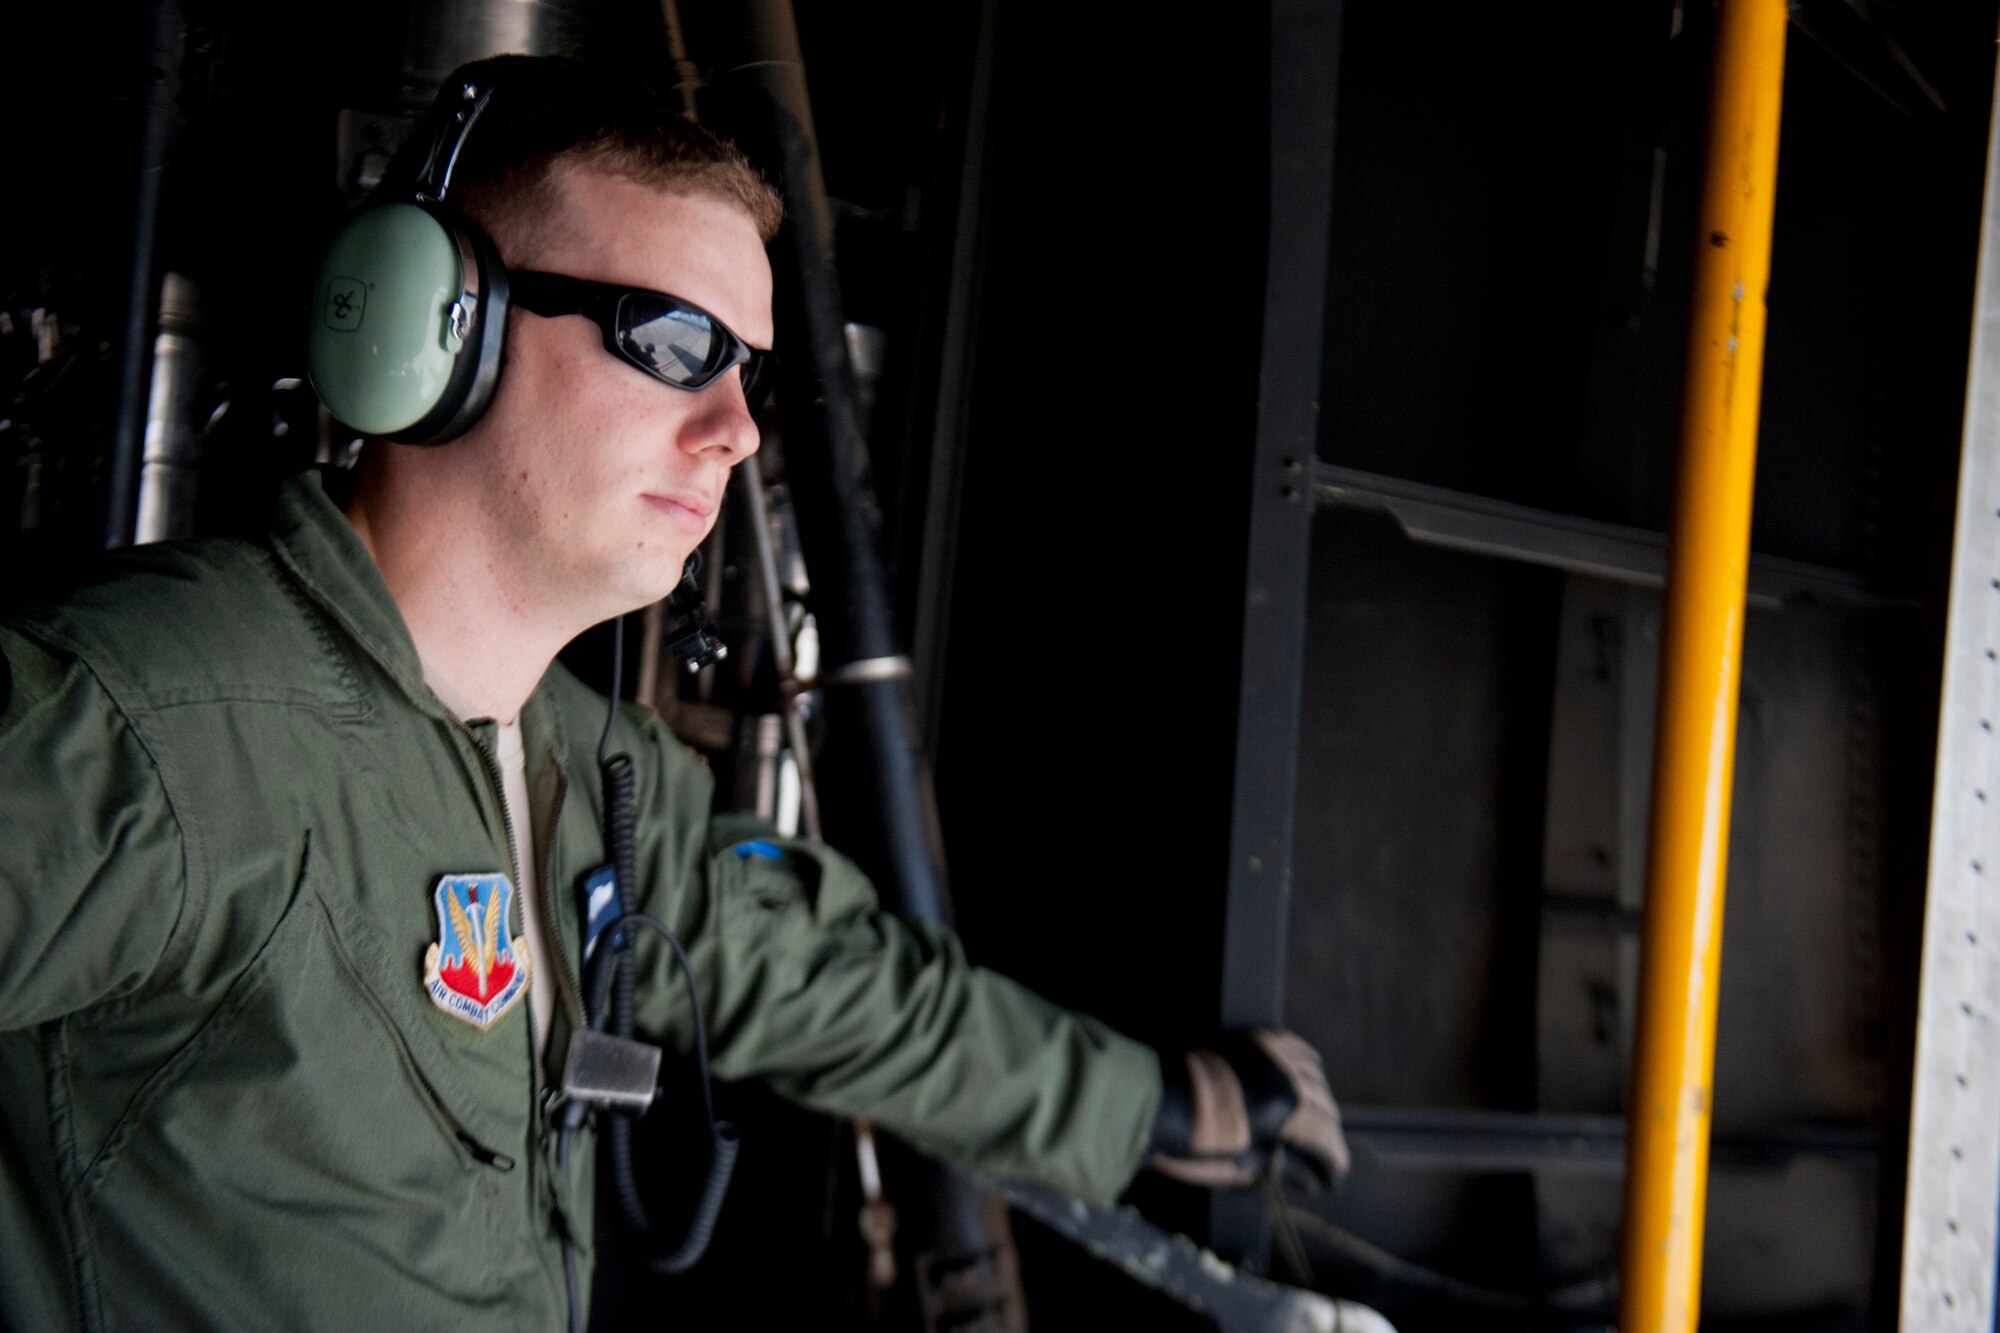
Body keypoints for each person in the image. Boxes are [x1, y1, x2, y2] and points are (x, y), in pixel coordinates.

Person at [0, 54, 1345, 1331]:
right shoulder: (147, 724)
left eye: (749, 370)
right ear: (444, 328)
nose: (739, 431)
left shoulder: (591, 770)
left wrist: (1162, 1107)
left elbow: (837, 988)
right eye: (672, 340)